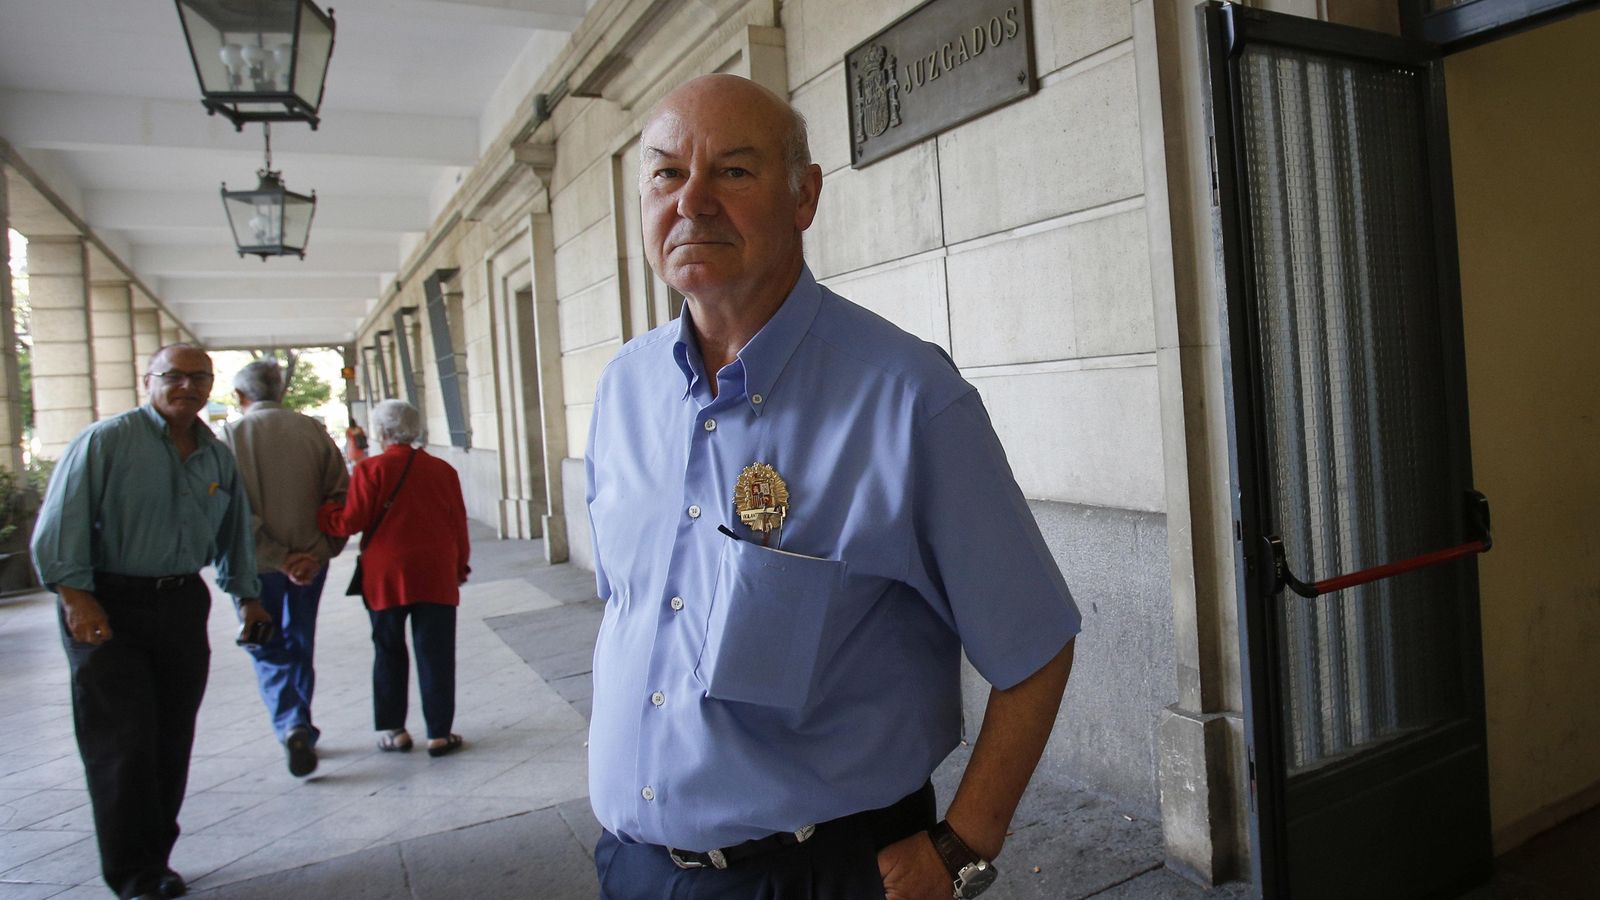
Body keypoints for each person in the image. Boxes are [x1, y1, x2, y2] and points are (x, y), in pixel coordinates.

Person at [583, 74, 1082, 900]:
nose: (693, 202)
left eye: (733, 172)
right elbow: (634, 611)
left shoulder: (908, 398)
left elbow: (1036, 646)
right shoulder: (622, 391)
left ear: (803, 196)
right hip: (632, 868)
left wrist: (961, 846)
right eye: (667, 174)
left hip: (823, 874)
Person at [31, 343, 268, 900]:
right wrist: (77, 599)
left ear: (211, 386)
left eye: (199, 378)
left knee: (169, 738)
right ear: (148, 380)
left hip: (182, 602)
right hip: (107, 605)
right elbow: (58, 527)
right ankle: (133, 873)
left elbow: (233, 535)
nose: (187, 386)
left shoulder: (215, 454)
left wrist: (248, 599)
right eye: (174, 376)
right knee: (122, 743)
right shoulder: (106, 440)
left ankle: (157, 860)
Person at [317, 400, 471, 757]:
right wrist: (459, 566)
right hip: (435, 571)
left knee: (387, 650)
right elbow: (457, 524)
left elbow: (349, 522)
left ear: (382, 432)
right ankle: (439, 733)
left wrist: (325, 511)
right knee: (437, 653)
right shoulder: (443, 470)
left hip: (385, 575)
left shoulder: (370, 469)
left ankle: (394, 730)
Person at [221, 359, 349, 777]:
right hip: (311, 563)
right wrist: (319, 551)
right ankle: (301, 724)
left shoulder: (229, 436)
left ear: (241, 397)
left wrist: (277, 558)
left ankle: (292, 722)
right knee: (300, 638)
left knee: (264, 641)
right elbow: (339, 494)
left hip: (256, 566)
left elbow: (230, 510)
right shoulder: (313, 430)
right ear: (281, 392)